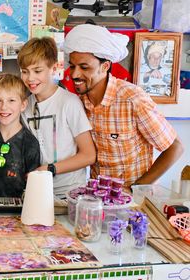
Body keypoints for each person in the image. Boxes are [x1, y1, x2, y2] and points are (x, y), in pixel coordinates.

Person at [62, 24, 184, 189]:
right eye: (72, 66)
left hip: (137, 201)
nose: (75, 74)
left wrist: (134, 189)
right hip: (99, 198)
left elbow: (175, 148)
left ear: (105, 66)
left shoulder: (132, 99)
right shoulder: (79, 101)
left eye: (84, 67)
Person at [17, 37, 96, 197]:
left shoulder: (69, 102)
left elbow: (88, 155)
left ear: (53, 68)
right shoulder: (25, 105)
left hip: (69, 193)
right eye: (25, 71)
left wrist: (50, 169)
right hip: (38, 191)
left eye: (37, 71)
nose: (30, 78)